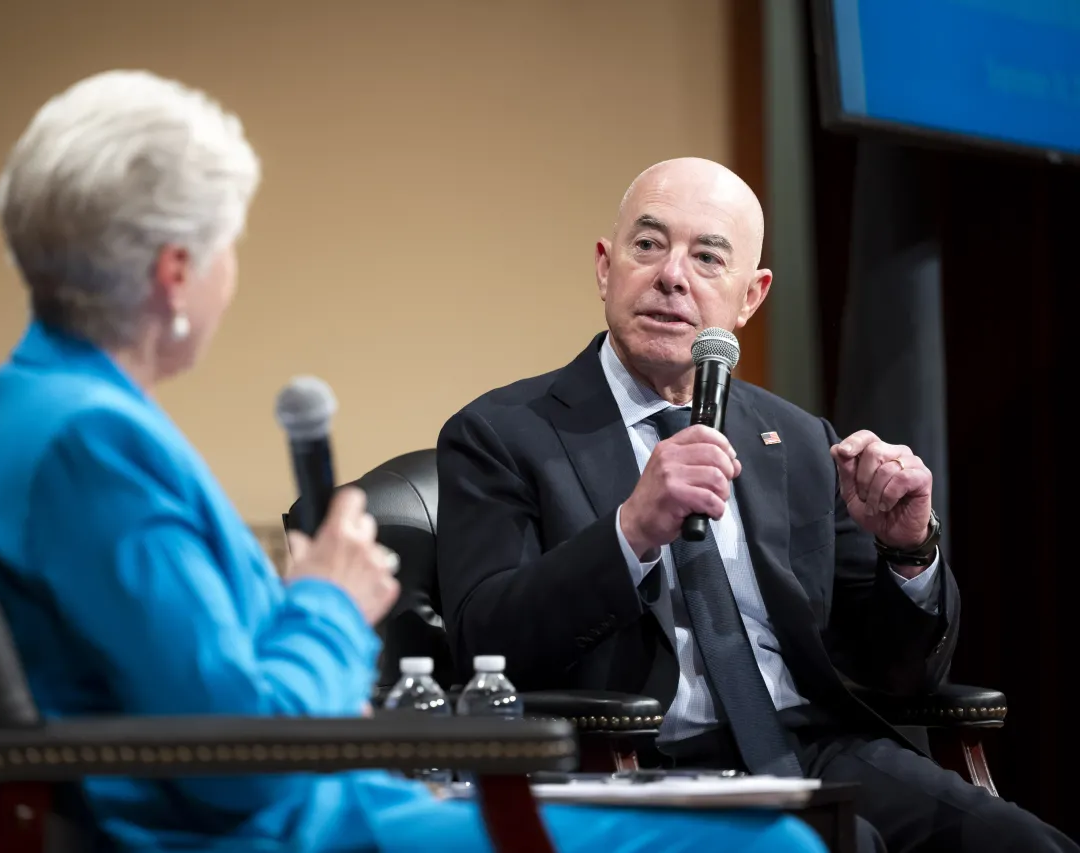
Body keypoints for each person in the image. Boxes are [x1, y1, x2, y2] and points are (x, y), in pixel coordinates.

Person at [0, 72, 822, 853]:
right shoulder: (95, 446)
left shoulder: (29, 406)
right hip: (293, 824)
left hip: (320, 799)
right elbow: (237, 757)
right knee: (772, 845)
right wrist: (330, 603)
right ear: (178, 270)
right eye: (228, 246)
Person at [435, 156, 1077, 852]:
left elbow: (904, 673)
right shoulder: (502, 434)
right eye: (648, 245)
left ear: (750, 296)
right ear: (604, 267)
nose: (672, 275)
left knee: (1027, 846)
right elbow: (484, 641)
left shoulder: (798, 441)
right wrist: (631, 530)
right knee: (844, 844)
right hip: (638, 765)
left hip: (811, 748)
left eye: (708, 257)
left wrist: (908, 551)